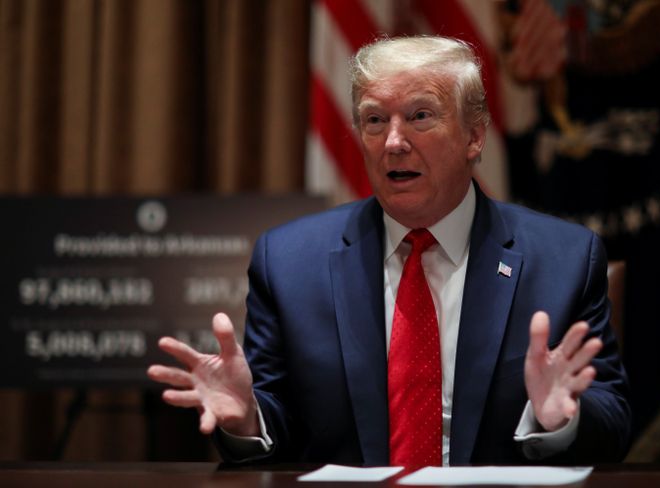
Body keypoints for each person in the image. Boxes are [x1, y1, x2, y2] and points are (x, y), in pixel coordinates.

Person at [148, 35, 630, 466]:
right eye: (374, 121)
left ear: (475, 136)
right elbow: (280, 422)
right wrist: (248, 419)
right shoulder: (290, 261)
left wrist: (563, 418)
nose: (393, 142)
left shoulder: (564, 260)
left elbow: (613, 422)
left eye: (420, 116)